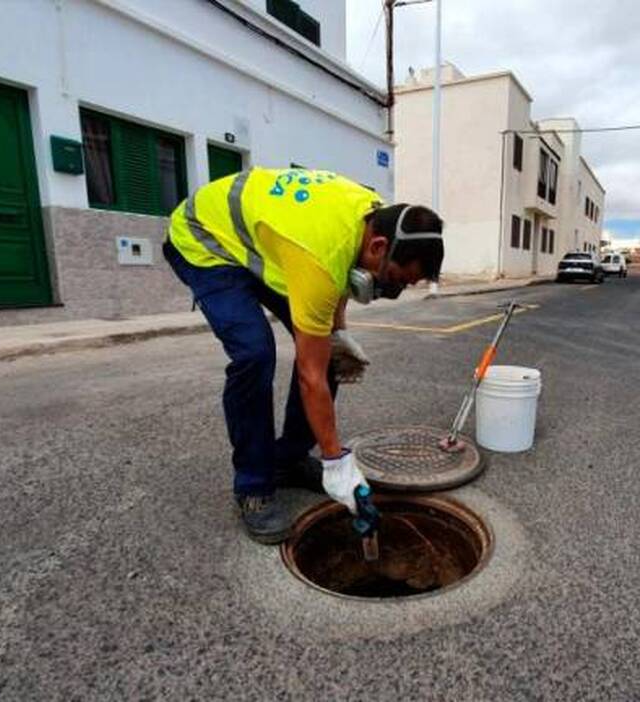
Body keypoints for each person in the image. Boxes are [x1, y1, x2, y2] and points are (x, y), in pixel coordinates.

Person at [163, 166, 444, 543]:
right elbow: (311, 377)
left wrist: (338, 332)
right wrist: (336, 462)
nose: (390, 289)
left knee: (328, 353)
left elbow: (346, 271)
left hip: (266, 241)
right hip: (204, 238)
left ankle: (289, 460)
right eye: (394, 278)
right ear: (378, 246)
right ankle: (253, 486)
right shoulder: (320, 260)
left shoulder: (370, 216)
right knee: (255, 355)